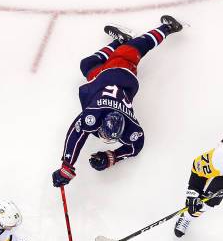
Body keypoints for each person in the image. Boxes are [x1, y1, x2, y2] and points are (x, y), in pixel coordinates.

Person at [52, 15, 183, 187]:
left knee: (87, 64)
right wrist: (68, 165)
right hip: (122, 72)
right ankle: (166, 29)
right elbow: (77, 134)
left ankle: (128, 39)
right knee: (134, 48)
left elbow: (135, 145)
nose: (103, 137)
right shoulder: (100, 116)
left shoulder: (127, 125)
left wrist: (107, 158)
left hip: (101, 80)